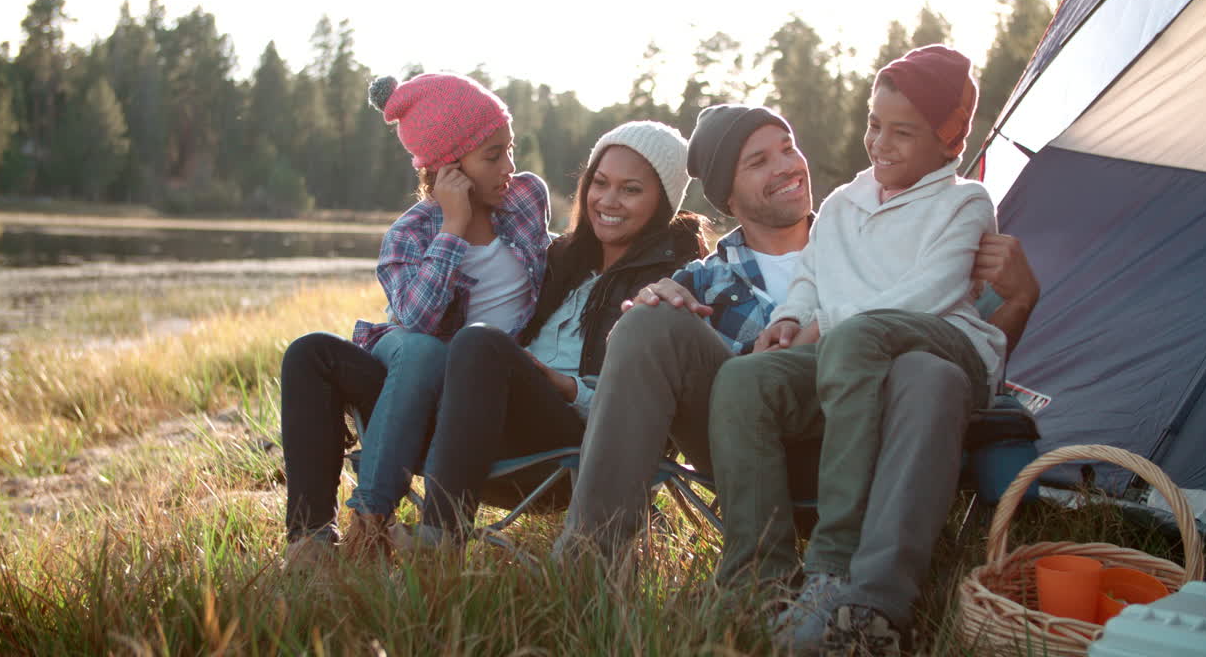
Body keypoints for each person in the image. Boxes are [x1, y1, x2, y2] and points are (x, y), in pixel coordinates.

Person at [551, 101, 1037, 650]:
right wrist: (647, 309)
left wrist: (1018, 302)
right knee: (648, 324)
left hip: (883, 445)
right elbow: (640, 368)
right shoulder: (704, 280)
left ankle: (871, 607)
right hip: (755, 461)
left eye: (788, 147)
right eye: (758, 161)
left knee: (929, 370)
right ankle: (586, 571)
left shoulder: (893, 236)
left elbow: (968, 361)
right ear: (726, 196)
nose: (786, 166)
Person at [711, 44, 1005, 654]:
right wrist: (792, 317)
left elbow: (935, 290)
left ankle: (835, 563)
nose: (881, 143)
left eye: (904, 133)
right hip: (852, 350)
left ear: (949, 141)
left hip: (940, 341)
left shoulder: (965, 202)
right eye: (875, 124)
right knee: (745, 380)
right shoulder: (843, 203)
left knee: (858, 340)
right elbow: (814, 277)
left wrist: (841, 326)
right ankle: (760, 586)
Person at [280, 72, 550, 566]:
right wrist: (451, 226)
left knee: (440, 350)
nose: (509, 167)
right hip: (408, 376)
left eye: (509, 149)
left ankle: (369, 522)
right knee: (313, 352)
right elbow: (417, 319)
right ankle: (311, 540)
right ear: (450, 168)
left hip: (478, 390)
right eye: (492, 156)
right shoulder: (410, 232)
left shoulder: (527, 199)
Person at [409, 121, 709, 545]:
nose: (607, 201)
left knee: (480, 342)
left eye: (631, 189)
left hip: (578, 443)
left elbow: (650, 410)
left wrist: (563, 386)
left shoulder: (674, 282)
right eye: (599, 183)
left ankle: (441, 532)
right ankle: (335, 529)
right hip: (495, 416)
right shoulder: (560, 258)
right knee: (323, 354)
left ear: (663, 202)